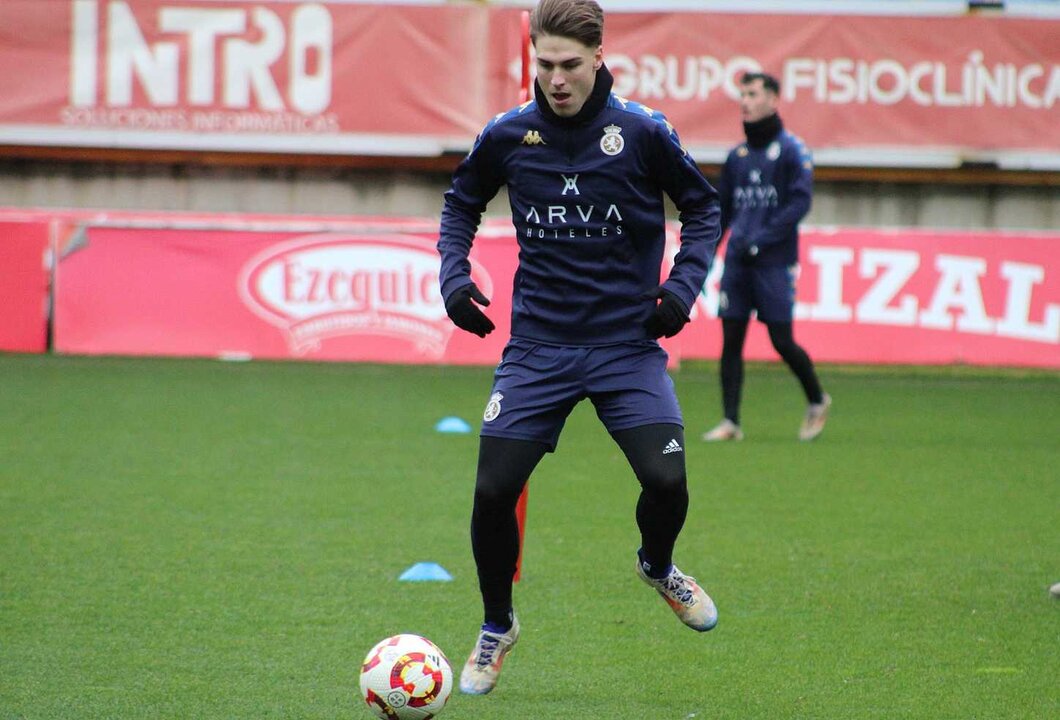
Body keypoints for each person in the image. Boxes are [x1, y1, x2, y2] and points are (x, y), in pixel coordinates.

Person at [437, 0, 721, 696]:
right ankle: (497, 625)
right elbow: (460, 204)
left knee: (667, 483)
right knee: (492, 490)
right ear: (532, 58)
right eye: (545, 65)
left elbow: (704, 208)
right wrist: (453, 276)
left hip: (627, 345)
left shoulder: (643, 131)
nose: (557, 79)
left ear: (599, 58)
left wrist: (682, 290)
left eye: (570, 65)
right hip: (538, 346)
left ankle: (658, 565)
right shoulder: (508, 134)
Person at [702, 72, 831, 443]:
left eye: (753, 93)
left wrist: (763, 239)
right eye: (742, 94)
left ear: (773, 100)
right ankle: (730, 421)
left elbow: (799, 202)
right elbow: (723, 211)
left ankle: (817, 399)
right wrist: (708, 252)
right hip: (739, 262)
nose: (745, 100)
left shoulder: (792, 150)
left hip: (773, 261)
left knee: (780, 340)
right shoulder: (737, 156)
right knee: (730, 338)